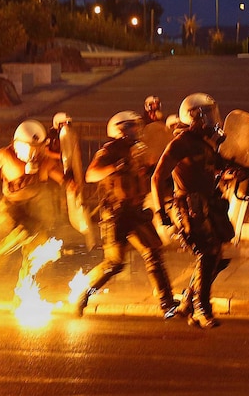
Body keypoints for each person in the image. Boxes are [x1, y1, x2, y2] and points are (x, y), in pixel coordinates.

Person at [74, 111, 177, 318]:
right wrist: (115, 166)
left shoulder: (139, 149)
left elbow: (146, 175)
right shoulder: (109, 150)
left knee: (153, 254)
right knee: (115, 263)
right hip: (117, 213)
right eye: (130, 127)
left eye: (135, 126)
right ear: (119, 130)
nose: (135, 130)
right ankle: (84, 294)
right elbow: (91, 174)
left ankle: (167, 302)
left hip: (136, 210)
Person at [151, 93, 238, 328]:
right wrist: (160, 211)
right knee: (207, 253)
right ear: (193, 118)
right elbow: (157, 176)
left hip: (208, 202)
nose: (211, 118)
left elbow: (216, 165)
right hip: (188, 206)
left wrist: (236, 168)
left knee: (217, 256)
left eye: (211, 113)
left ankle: (189, 300)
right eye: (205, 114)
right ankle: (201, 308)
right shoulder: (181, 142)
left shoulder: (205, 142)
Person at [0, 119, 67, 286]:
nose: (33, 153)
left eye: (36, 149)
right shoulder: (5, 156)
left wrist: (72, 184)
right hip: (11, 208)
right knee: (24, 231)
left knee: (36, 250)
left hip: (34, 209)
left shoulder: (44, 160)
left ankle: (24, 291)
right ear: (18, 145)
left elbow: (62, 179)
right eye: (30, 148)